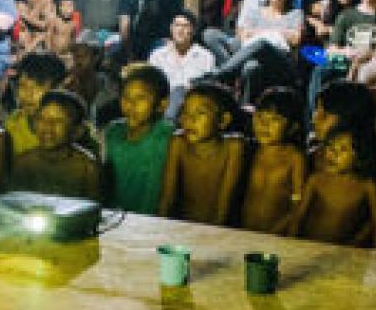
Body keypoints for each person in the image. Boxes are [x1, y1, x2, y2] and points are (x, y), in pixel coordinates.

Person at [159, 82, 245, 226]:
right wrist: (159, 227)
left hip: (219, 227)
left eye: (201, 113)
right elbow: (168, 196)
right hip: (181, 225)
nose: (189, 120)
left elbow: (226, 201)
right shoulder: (178, 143)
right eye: (185, 112)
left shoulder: (233, 147)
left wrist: (213, 234)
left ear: (223, 120)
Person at [293, 120, 376, 248]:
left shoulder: (367, 186)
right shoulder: (316, 180)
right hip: (309, 246)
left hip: (343, 253)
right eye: (330, 147)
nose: (334, 154)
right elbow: (299, 217)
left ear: (358, 155)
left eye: (343, 149)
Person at [101, 63, 174, 216]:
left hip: (154, 221)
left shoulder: (168, 135)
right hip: (115, 219)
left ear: (162, 104)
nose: (131, 104)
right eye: (126, 97)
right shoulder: (113, 132)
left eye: (141, 98)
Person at [7, 90, 101, 201]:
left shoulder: (87, 168)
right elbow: (15, 201)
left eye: (58, 121)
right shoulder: (24, 162)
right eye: (42, 119)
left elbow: (93, 207)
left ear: (77, 131)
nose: (47, 127)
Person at [240, 86, 309, 236]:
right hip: (244, 231)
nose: (264, 125)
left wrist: (279, 231)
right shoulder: (250, 151)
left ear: (293, 127)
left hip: (277, 234)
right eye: (259, 117)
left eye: (275, 119)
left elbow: (299, 204)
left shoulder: (294, 158)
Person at [147, 9, 216, 118]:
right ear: (171, 29)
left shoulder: (206, 57)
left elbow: (208, 91)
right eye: (177, 25)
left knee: (180, 90)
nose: (180, 30)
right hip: (163, 107)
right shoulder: (157, 56)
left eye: (185, 26)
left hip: (193, 110)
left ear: (192, 30)